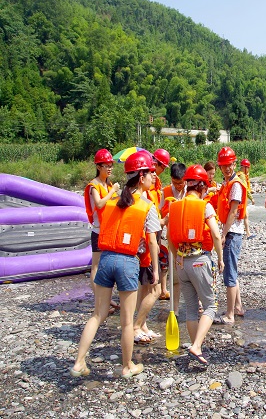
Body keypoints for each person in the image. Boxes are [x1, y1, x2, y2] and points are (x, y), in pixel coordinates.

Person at [70, 151, 159, 378]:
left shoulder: (112, 200)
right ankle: (128, 366)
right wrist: (156, 270)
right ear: (141, 177)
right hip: (128, 261)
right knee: (127, 322)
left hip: (107, 258)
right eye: (150, 173)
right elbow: (152, 241)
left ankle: (79, 362)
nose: (154, 177)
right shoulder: (147, 206)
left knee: (97, 314)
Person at [168, 164, 223, 365]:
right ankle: (197, 346)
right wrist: (221, 257)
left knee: (191, 309)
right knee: (210, 305)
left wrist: (177, 258)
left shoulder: (175, 205)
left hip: (181, 263)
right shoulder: (205, 206)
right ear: (201, 186)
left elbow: (169, 238)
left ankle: (195, 347)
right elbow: (216, 234)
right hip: (200, 261)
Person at [132, 149, 168, 343]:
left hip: (143, 247)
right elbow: (150, 232)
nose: (156, 173)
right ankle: (137, 325)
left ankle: (142, 324)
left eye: (158, 169)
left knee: (144, 288)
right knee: (149, 288)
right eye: (153, 170)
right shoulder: (140, 196)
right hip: (143, 249)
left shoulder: (149, 190)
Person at [83, 149, 120, 313]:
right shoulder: (94, 186)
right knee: (96, 266)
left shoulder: (108, 184)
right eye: (106, 165)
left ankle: (106, 298)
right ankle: (99, 302)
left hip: (109, 231)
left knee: (107, 265)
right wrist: (112, 192)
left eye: (111, 165)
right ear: (99, 166)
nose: (110, 168)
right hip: (98, 231)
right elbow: (98, 204)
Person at [216, 146, 246, 324]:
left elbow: (233, 211)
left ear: (234, 164)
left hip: (233, 233)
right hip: (233, 231)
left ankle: (229, 314)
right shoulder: (228, 183)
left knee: (229, 273)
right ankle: (238, 307)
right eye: (224, 165)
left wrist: (223, 234)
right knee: (232, 271)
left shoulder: (235, 185)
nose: (227, 168)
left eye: (229, 164)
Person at [158, 162, 187, 311]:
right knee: (175, 276)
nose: (178, 186)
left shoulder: (191, 191)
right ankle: (174, 310)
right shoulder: (166, 191)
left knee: (191, 274)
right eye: (175, 183)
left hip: (189, 239)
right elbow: (159, 216)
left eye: (181, 183)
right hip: (172, 239)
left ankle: (196, 304)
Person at [239, 158, 255, 238]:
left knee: (245, 215)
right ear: (245, 168)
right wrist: (251, 198)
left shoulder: (240, 174)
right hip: (241, 199)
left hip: (240, 199)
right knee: (245, 216)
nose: (248, 169)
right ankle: (248, 233)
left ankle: (246, 232)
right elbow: (245, 188)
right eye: (248, 168)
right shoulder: (242, 176)